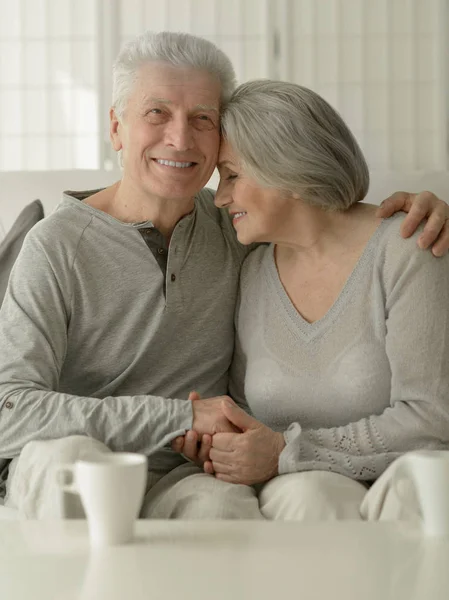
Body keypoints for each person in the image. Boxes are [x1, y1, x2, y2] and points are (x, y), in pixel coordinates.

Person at [0, 32, 447, 520]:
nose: (180, 138)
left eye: (202, 119)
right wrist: (181, 417)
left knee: (224, 508)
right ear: (116, 129)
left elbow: (316, 217)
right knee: (72, 462)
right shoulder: (56, 245)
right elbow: (9, 410)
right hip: (80, 461)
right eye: (157, 113)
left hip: (188, 473)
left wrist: (428, 210)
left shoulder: (237, 232)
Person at [174, 79, 449, 522]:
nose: (221, 197)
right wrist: (227, 445)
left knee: (312, 497)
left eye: (232, 176)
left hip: (394, 501)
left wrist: (286, 452)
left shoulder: (407, 248)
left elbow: (431, 421)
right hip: (292, 503)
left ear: (290, 171)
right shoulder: (254, 273)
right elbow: (246, 410)